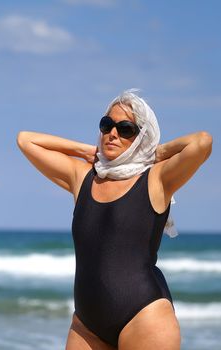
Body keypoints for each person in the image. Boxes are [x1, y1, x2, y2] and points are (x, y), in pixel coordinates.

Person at [17, 89, 213, 350]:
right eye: (106, 125)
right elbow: (25, 141)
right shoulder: (83, 177)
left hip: (144, 317)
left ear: (141, 137)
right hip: (86, 325)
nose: (112, 134)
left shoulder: (155, 179)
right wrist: (85, 150)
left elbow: (202, 142)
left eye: (126, 129)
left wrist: (154, 151)